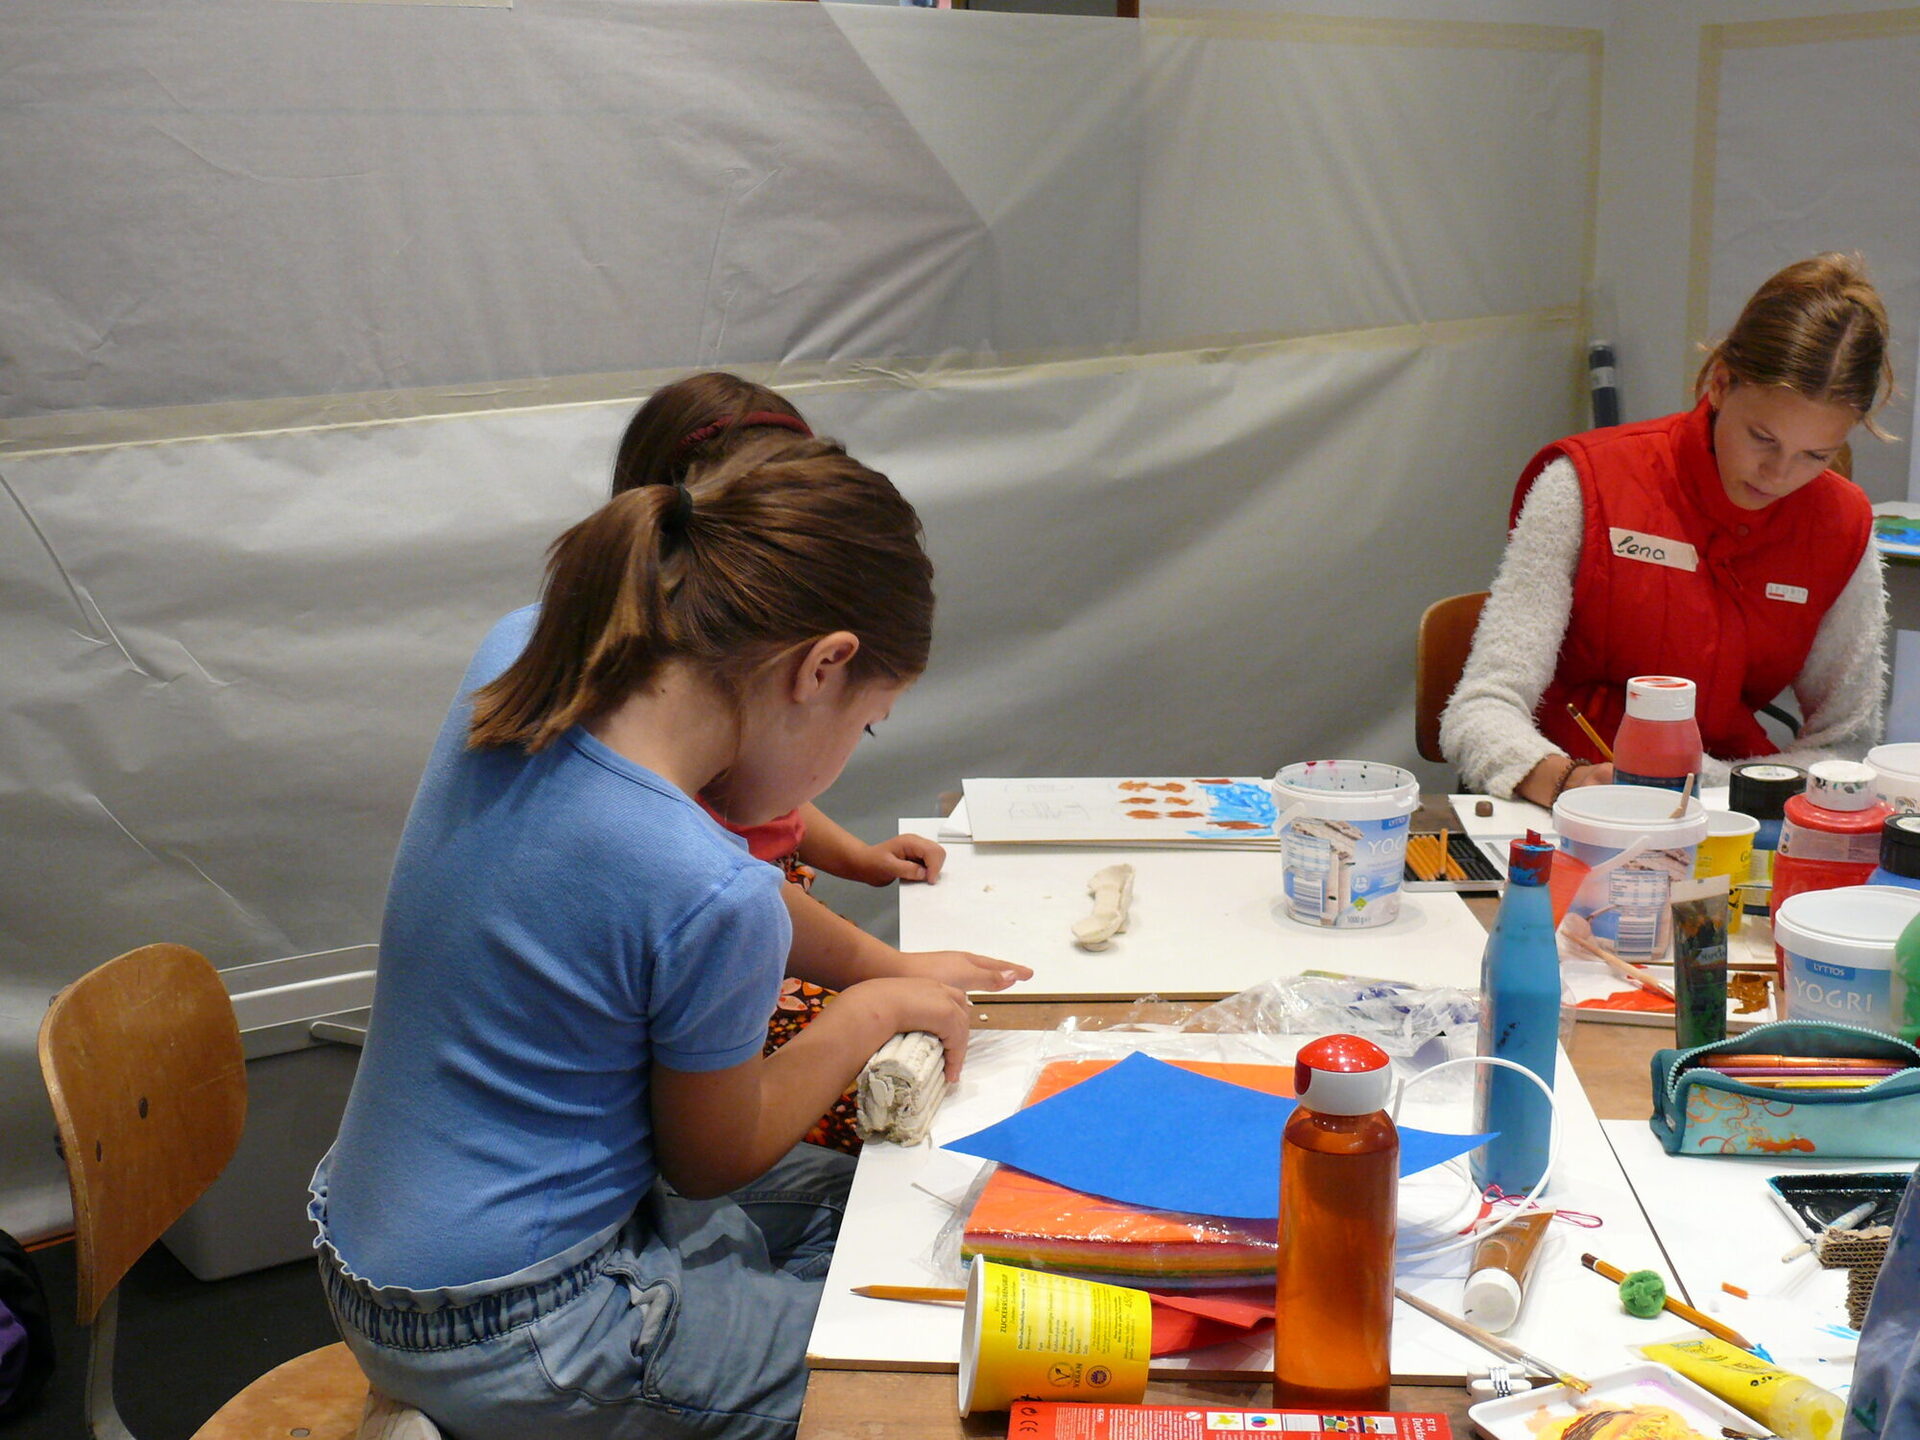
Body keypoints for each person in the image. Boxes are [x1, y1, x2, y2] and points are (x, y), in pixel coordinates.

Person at [312, 438, 978, 1439]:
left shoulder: (526, 652)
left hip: (370, 1247)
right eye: (868, 723)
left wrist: (880, 971)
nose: (852, 752)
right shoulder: (708, 887)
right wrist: (870, 1009)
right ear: (823, 665)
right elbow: (714, 1158)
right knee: (917, 1367)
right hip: (516, 1318)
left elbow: (659, 892)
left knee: (874, 1209)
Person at [1442, 253, 1893, 807]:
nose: (1778, 475)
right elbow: (1481, 708)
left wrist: (1714, 789)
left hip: (1720, 812)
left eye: (1815, 455)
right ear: (1720, 383)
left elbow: (1846, 745)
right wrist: (1564, 780)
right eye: (1762, 438)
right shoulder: (1587, 484)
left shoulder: (1841, 525)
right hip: (1558, 800)